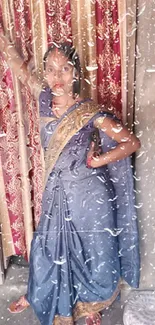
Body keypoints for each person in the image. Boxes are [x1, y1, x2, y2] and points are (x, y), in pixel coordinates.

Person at [5, 42, 140, 325]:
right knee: (46, 246)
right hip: (56, 190)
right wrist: (4, 39)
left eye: (65, 69)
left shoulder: (89, 112)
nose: (58, 77)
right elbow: (17, 66)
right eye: (51, 69)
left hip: (89, 194)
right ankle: (36, 291)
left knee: (93, 249)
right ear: (44, 72)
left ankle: (91, 304)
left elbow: (130, 142)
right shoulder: (42, 97)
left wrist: (99, 161)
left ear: (76, 73)